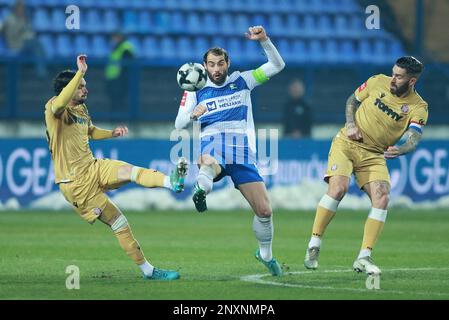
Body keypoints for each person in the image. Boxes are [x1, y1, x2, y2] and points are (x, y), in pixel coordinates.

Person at [45, 55, 188, 280]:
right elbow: (60, 103)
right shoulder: (54, 108)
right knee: (118, 221)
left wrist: (111, 133)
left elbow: (90, 131)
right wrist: (80, 72)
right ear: (67, 88)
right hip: (75, 183)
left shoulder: (81, 110)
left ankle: (172, 182)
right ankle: (148, 271)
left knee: (129, 171)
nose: (86, 90)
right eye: (81, 87)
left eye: (85, 86)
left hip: (92, 167)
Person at [175, 26, 285, 276]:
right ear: (204, 66)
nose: (216, 69)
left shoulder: (243, 80)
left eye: (220, 63)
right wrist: (194, 114)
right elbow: (178, 124)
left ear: (227, 64)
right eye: (211, 64)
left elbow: (277, 65)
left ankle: (265, 254)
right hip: (213, 142)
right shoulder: (194, 89)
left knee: (265, 211)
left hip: (242, 151)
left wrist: (265, 40)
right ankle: (201, 190)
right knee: (209, 163)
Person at [303, 56, 428, 275]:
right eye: (393, 73)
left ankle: (363, 257)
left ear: (412, 81)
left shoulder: (418, 107)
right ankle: (314, 243)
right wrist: (350, 124)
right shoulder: (378, 81)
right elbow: (352, 100)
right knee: (339, 188)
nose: (392, 79)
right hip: (347, 143)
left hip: (374, 154)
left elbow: (414, 137)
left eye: (399, 76)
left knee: (382, 197)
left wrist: (402, 149)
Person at [0, 0, 47, 77]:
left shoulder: (24, 19)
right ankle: (41, 72)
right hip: (16, 46)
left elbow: (30, 33)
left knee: (37, 44)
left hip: (26, 45)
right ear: (15, 8)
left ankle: (41, 70)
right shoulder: (9, 19)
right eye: (20, 8)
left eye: (23, 8)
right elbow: (12, 32)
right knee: (36, 45)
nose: (22, 10)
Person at [105, 33, 135, 114]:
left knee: (119, 101)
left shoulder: (126, 48)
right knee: (115, 100)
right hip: (113, 78)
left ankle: (119, 118)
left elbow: (127, 65)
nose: (113, 40)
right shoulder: (117, 47)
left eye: (115, 38)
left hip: (120, 79)